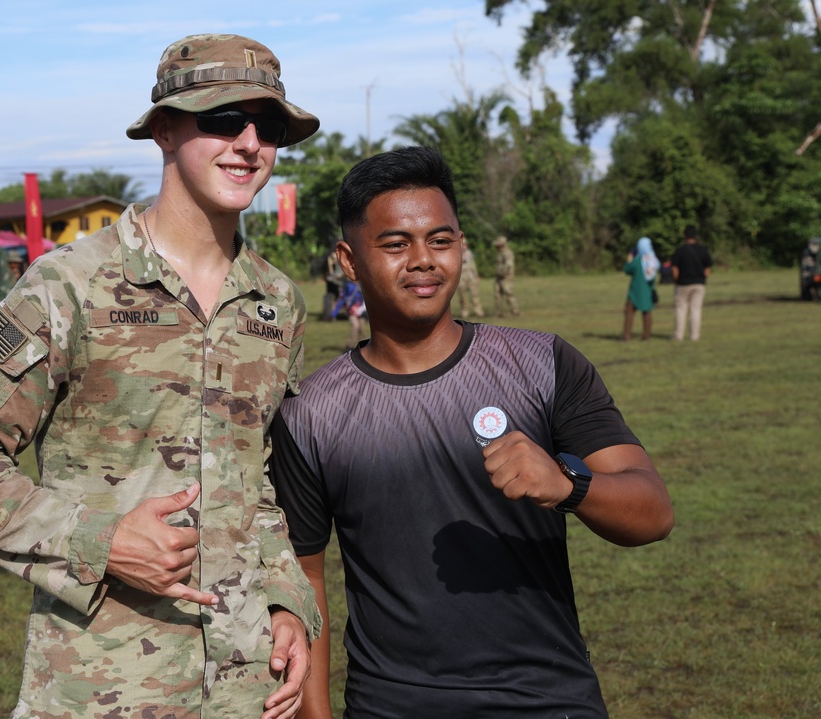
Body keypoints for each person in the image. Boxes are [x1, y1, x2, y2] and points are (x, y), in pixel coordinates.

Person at [0, 33, 321, 719]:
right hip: (100, 685)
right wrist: (98, 541)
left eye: (270, 125)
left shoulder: (275, 302)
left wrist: (286, 598)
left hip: (249, 685)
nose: (250, 142)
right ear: (163, 129)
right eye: (224, 118)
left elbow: (255, 477)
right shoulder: (66, 287)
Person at [269, 147, 675, 718]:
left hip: (548, 700)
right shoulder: (310, 413)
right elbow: (305, 580)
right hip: (392, 706)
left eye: (441, 240)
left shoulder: (543, 364)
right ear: (349, 260)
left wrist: (567, 484)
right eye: (395, 244)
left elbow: (654, 512)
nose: (423, 261)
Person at [670, 225, 713, 341]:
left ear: (685, 236)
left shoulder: (680, 251)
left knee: (681, 309)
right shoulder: (703, 250)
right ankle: (694, 336)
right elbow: (708, 268)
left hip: (683, 283)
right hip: (699, 283)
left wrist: (676, 280)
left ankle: (678, 335)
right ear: (695, 236)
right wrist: (702, 278)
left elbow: (674, 269)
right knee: (696, 310)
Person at [622, 236, 660, 341]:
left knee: (629, 311)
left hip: (635, 291)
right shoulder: (653, 261)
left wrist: (629, 259)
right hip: (647, 291)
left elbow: (626, 269)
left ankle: (626, 335)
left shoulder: (637, 261)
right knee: (647, 313)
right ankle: (646, 335)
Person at [331, 279, 367, 350]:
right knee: (355, 325)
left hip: (362, 310)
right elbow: (342, 299)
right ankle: (350, 346)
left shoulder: (364, 285)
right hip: (351, 310)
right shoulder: (347, 286)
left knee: (361, 328)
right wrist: (334, 313)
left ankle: (363, 347)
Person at [493, 234, 519, 317]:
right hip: (499, 277)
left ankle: (515, 311)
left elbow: (509, 265)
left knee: (508, 294)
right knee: (497, 295)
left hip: (506, 278)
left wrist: (504, 273)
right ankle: (499, 313)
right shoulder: (500, 253)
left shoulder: (507, 253)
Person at [457, 240, 483, 318]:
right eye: (463, 244)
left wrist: (476, 275)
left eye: (465, 244)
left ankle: (479, 312)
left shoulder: (469, 253)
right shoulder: (456, 254)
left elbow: (473, 265)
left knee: (475, 295)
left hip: (471, 277)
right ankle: (465, 312)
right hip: (461, 278)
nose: (464, 246)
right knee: (463, 297)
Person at [321, 245, 345, 321]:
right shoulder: (339, 255)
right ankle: (332, 315)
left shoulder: (334, 255)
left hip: (336, 278)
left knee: (335, 297)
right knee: (336, 297)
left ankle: (331, 315)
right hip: (339, 279)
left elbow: (330, 265)